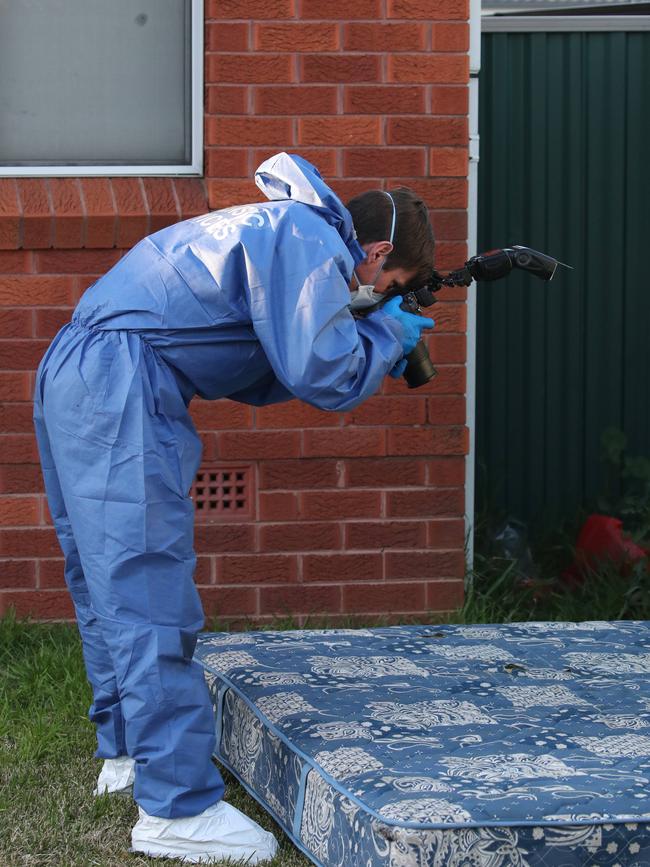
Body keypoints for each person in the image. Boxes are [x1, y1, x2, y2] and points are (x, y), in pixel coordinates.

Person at [33, 153, 435, 863]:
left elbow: (261, 364)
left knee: (103, 578)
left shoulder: (279, 227)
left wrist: (366, 328)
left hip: (78, 361)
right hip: (123, 375)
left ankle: (127, 752)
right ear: (376, 252)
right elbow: (322, 370)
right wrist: (381, 337)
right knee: (146, 583)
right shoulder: (310, 240)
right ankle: (176, 808)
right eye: (386, 285)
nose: (367, 293)